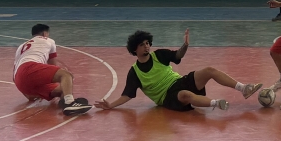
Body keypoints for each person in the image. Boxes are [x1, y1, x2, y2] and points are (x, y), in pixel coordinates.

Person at [93, 29, 263, 112]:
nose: (147, 46)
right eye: (142, 45)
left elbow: (178, 55)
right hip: (167, 97)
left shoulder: (159, 55)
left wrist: (185, 45)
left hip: (179, 81)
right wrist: (111, 105)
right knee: (186, 95)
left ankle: (243, 88)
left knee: (209, 70)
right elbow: (127, 95)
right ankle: (216, 103)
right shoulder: (135, 72)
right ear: (134, 49)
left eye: (147, 43)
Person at [13, 24, 92, 116]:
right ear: (45, 33)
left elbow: (15, 72)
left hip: (19, 79)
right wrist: (64, 79)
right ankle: (70, 103)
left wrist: (27, 92)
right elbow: (53, 65)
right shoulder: (49, 40)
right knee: (66, 75)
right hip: (30, 68)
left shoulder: (21, 46)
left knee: (63, 89)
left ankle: (65, 103)